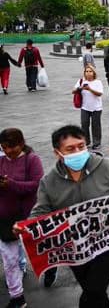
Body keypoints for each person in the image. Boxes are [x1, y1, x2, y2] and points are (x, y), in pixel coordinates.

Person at [20, 125, 109, 308]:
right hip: (76, 248)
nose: (77, 151)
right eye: (70, 149)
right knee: (95, 292)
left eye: (81, 146)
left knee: (93, 290)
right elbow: (41, 211)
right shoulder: (49, 181)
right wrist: (26, 226)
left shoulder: (107, 167)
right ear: (57, 152)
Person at [0, 128, 44, 308]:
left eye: (12, 147)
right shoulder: (1, 160)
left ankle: (48, 267)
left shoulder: (32, 160)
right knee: (8, 258)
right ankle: (17, 296)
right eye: (4, 147)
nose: (8, 151)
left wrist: (11, 184)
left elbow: (36, 185)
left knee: (39, 246)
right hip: (4, 216)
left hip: (27, 214)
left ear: (21, 143)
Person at [73, 65, 104, 150]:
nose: (88, 73)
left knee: (96, 125)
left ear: (94, 73)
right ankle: (86, 141)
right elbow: (73, 91)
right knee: (84, 124)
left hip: (96, 108)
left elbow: (100, 93)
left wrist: (89, 89)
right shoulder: (81, 81)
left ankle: (97, 142)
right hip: (85, 107)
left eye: (90, 71)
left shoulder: (98, 82)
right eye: (86, 71)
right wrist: (80, 88)